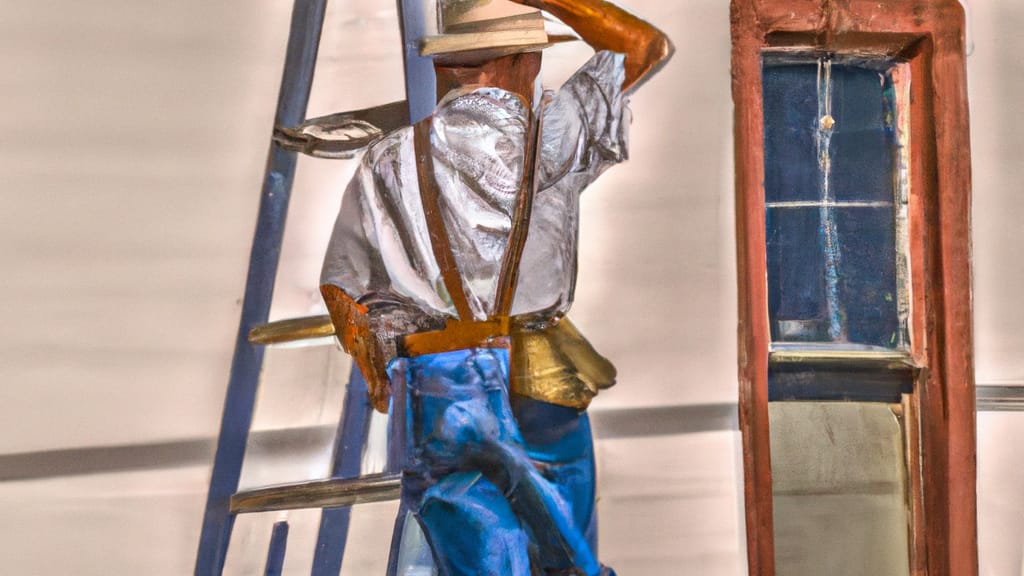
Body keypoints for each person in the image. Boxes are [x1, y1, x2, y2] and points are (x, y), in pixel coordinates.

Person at [320, 1, 672, 574]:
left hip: (440, 383)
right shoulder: (552, 133)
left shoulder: (386, 157)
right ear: (524, 62)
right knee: (565, 559)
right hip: (542, 380)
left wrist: (380, 370)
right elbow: (644, 46)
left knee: (471, 552)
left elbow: (344, 290)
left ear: (446, 67)